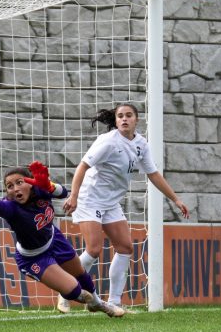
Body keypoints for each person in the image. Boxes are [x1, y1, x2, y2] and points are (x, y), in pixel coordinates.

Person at [60, 103, 189, 313]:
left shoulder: (141, 144)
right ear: (116, 120)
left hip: (111, 202)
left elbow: (153, 174)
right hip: (89, 197)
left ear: (137, 120)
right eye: (120, 116)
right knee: (94, 249)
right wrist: (73, 196)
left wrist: (175, 199)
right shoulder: (108, 142)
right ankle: (65, 289)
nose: (124, 119)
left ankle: (114, 302)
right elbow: (82, 166)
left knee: (125, 247)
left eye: (128, 115)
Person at [0, 161, 124, 317]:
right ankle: (75, 294)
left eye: (19, 182)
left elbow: (64, 192)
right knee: (75, 291)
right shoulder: (11, 208)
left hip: (54, 239)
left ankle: (98, 304)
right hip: (34, 257)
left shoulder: (40, 190)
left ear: (30, 183)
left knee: (81, 274)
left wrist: (49, 185)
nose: (15, 189)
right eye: (10, 186)